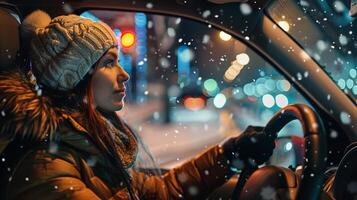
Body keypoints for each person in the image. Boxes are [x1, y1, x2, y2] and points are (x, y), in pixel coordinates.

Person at [0, 10, 275, 199]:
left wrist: (228, 155)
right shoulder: (47, 168)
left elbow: (158, 193)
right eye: (108, 63)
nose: (124, 73)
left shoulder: (94, 142)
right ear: (74, 77)